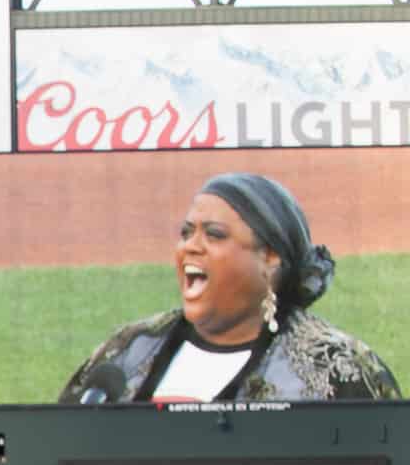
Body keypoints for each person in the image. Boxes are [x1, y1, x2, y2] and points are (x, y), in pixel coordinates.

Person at [58, 172, 399, 402]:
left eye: (214, 234)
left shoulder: (336, 367)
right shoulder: (129, 349)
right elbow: (49, 449)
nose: (191, 246)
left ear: (271, 258)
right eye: (186, 232)